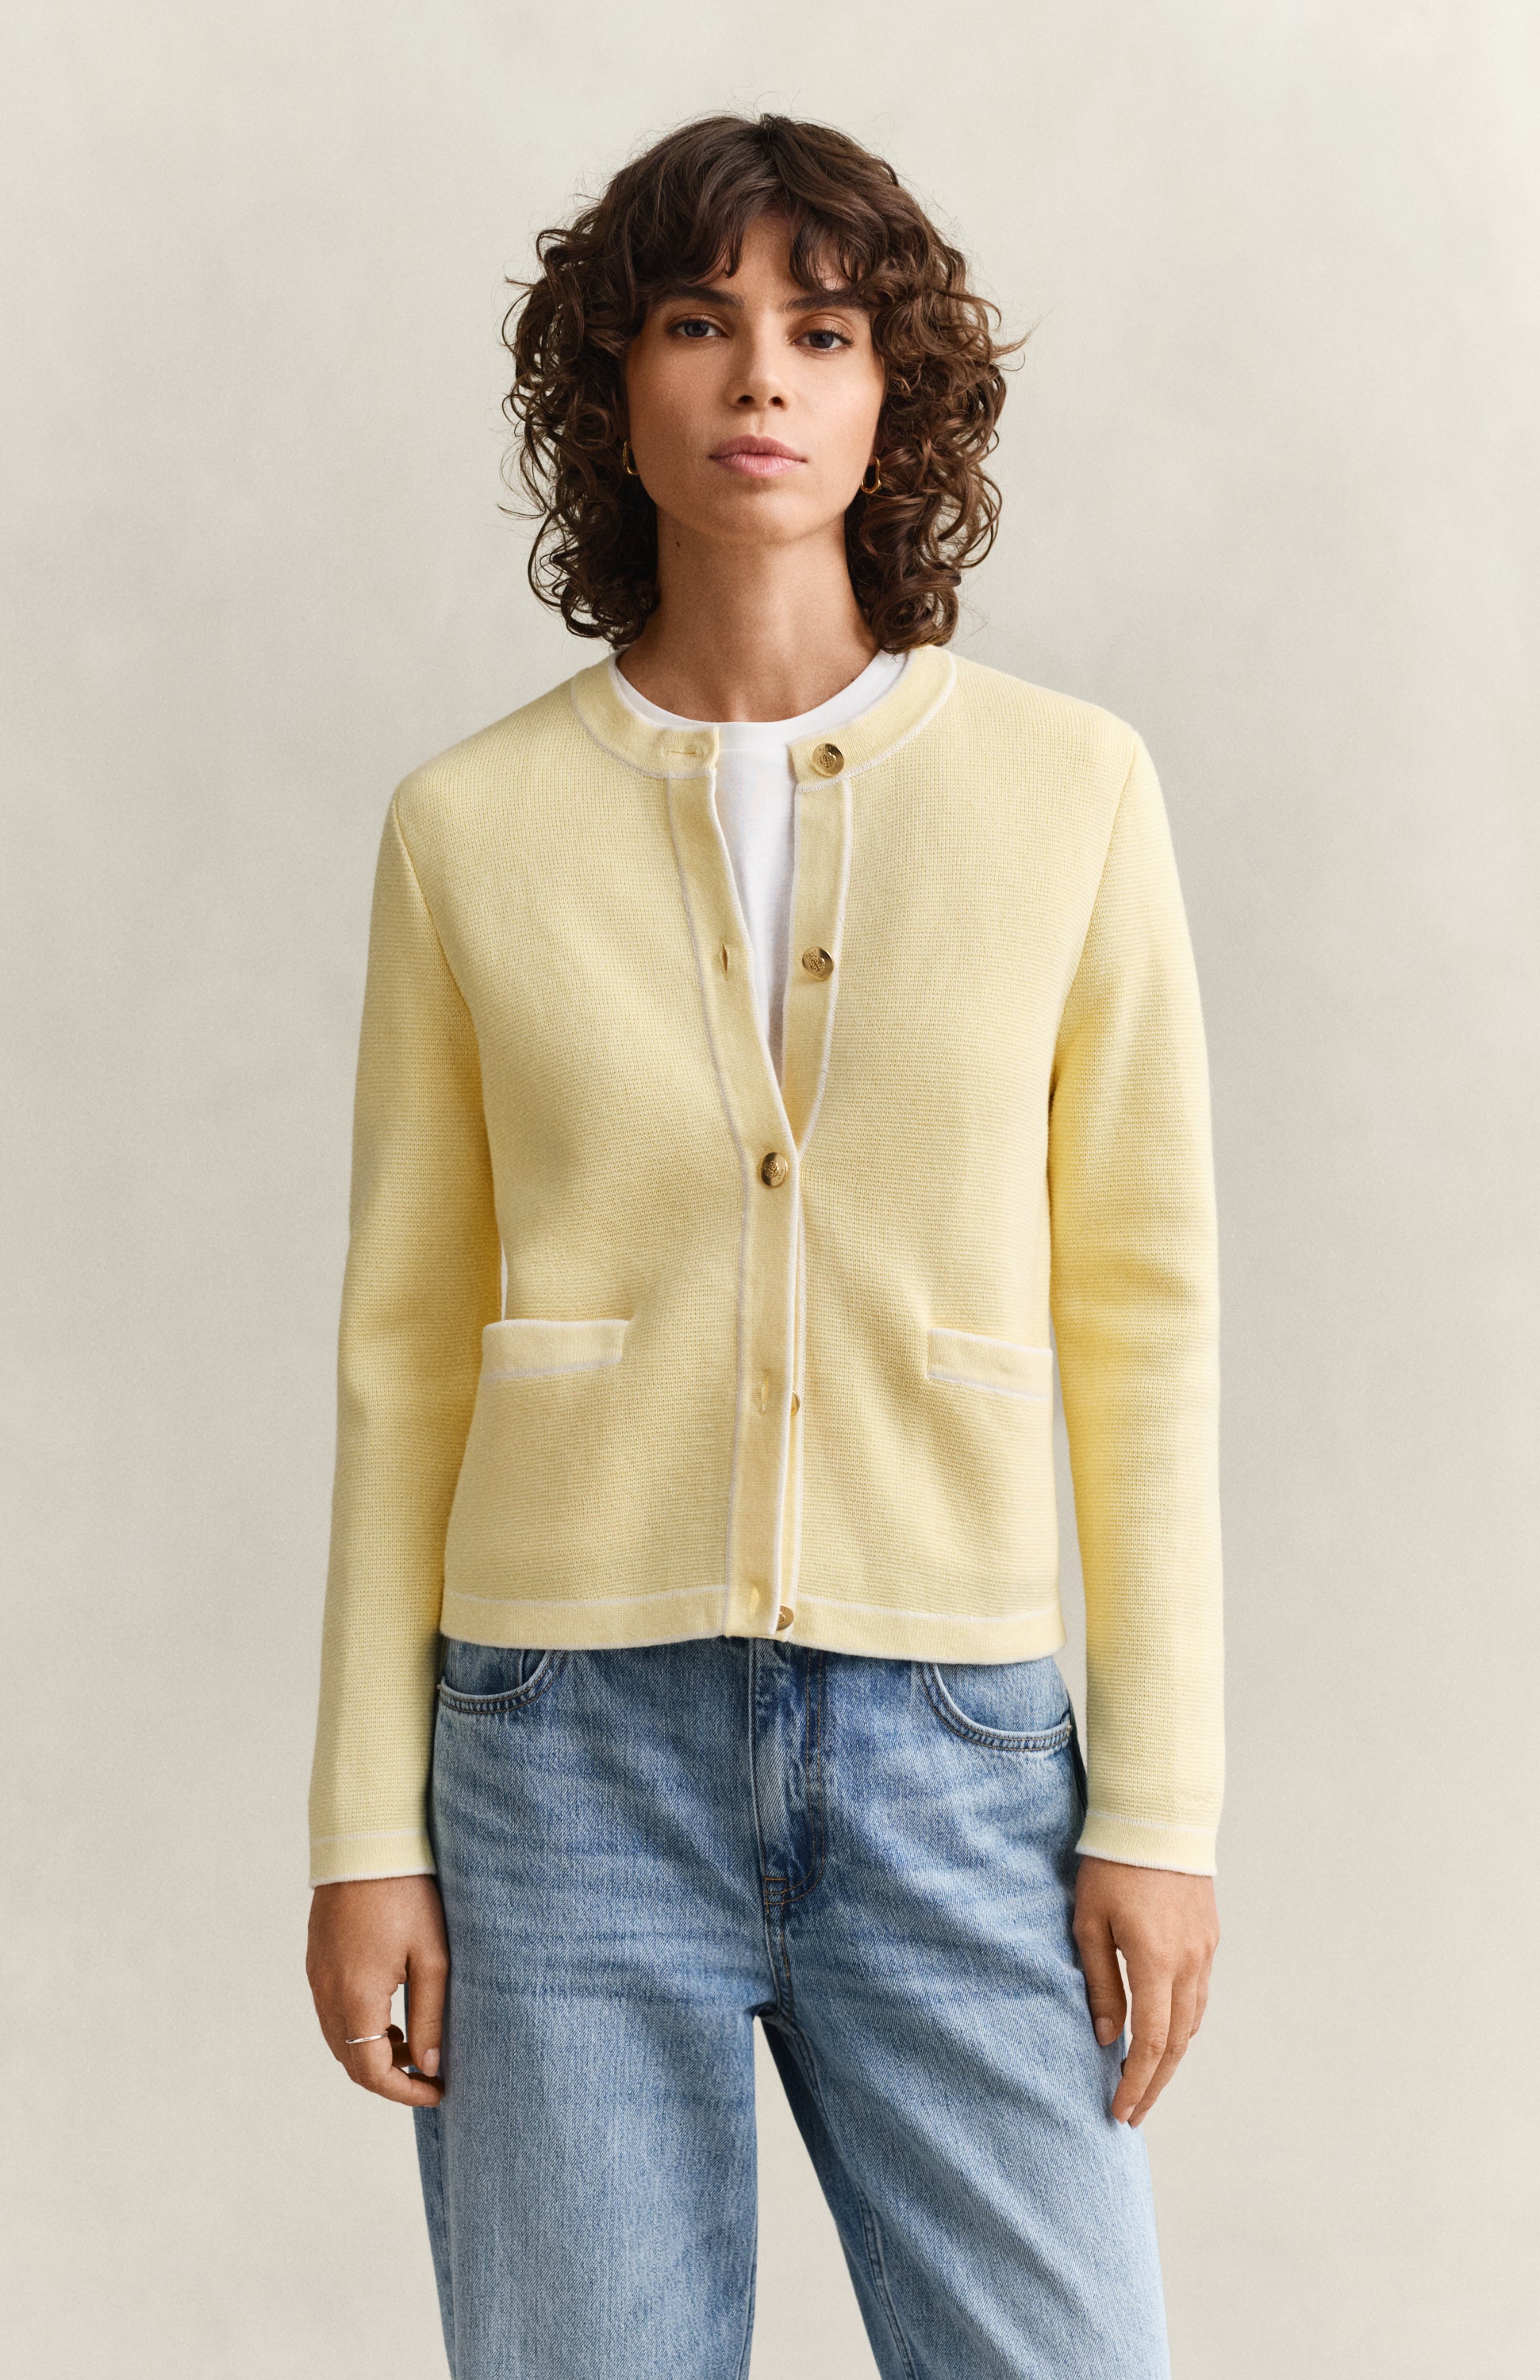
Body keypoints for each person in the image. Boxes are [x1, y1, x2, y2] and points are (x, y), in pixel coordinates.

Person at [304, 110, 1223, 2380]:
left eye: (824, 332)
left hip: (962, 1748)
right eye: (698, 324)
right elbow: (405, 1349)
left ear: (899, 390)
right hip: (559, 1756)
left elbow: (1146, 1320)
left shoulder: (1072, 791)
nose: (761, 380)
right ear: (610, 385)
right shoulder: (467, 828)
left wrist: (1164, 1804)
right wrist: (359, 1832)